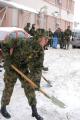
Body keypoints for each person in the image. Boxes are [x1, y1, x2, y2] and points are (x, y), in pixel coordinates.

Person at [0, 33, 47, 120]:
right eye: (45, 39)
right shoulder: (22, 41)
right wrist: (8, 58)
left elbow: (37, 67)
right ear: (39, 38)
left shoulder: (40, 51)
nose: (46, 41)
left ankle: (34, 111)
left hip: (23, 68)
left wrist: (36, 82)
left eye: (47, 39)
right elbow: (3, 44)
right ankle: (3, 107)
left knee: (29, 86)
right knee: (9, 87)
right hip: (12, 65)